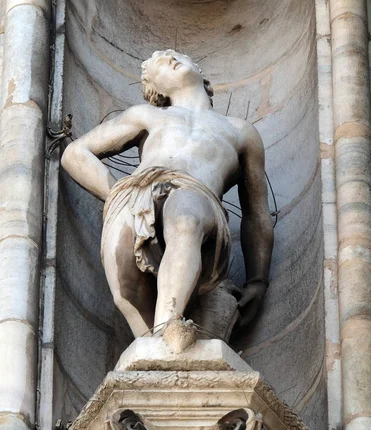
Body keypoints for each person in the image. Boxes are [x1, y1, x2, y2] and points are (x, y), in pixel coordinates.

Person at [61, 49, 273, 338]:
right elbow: (75, 153)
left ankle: (168, 327)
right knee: (126, 283)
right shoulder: (147, 115)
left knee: (186, 216)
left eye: (175, 55)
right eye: (160, 62)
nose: (169, 57)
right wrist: (119, 194)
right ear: (155, 90)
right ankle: (153, 348)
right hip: (137, 196)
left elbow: (257, 214)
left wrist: (257, 280)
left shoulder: (240, 132)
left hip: (197, 192)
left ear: (202, 74)